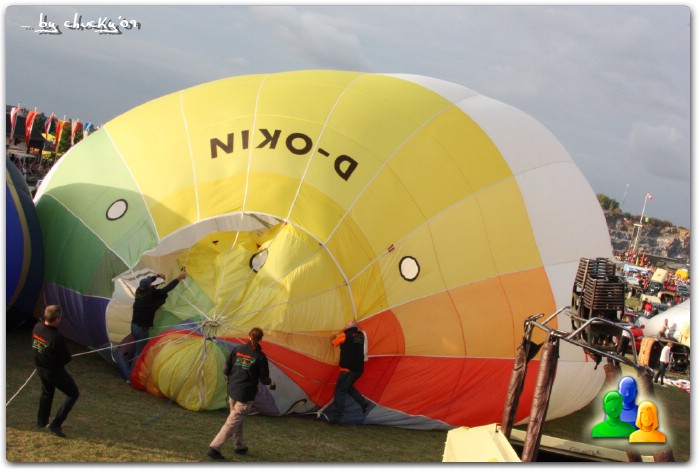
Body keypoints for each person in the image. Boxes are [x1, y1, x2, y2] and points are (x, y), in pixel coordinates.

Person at [208, 327, 276, 460]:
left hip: (233, 390)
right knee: (232, 422)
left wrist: (231, 378)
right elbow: (264, 379)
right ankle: (214, 448)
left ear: (249, 336)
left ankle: (238, 445)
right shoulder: (260, 357)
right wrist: (271, 383)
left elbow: (226, 369)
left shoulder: (237, 349)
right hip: (245, 395)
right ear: (261, 339)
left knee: (236, 419)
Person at [32, 305, 80, 438]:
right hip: (52, 371)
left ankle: (42, 421)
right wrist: (67, 356)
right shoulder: (56, 337)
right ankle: (56, 424)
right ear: (57, 319)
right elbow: (65, 359)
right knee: (73, 393)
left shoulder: (37, 327)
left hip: (40, 367)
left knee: (47, 392)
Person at [131, 269, 186, 365]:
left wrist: (157, 276)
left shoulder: (139, 291)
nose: (152, 285)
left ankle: (132, 369)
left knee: (138, 349)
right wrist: (179, 277)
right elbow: (167, 289)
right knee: (139, 352)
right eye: (150, 285)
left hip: (134, 326)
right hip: (141, 329)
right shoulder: (150, 296)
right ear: (149, 287)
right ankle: (133, 373)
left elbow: (148, 283)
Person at [327, 320, 372, 424]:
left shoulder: (344, 335)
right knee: (347, 387)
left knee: (340, 392)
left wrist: (332, 338)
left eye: (346, 325)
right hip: (358, 370)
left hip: (347, 370)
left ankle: (337, 418)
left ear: (348, 327)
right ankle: (363, 403)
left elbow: (334, 343)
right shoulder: (360, 335)